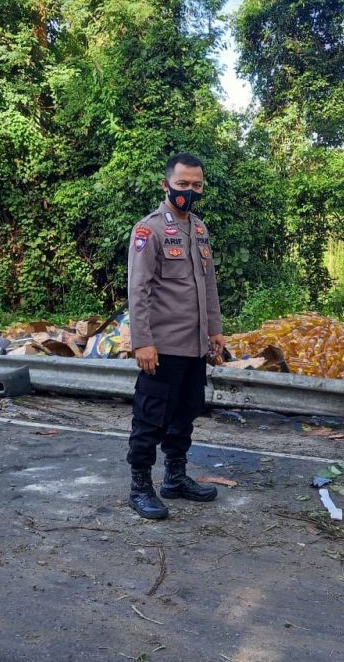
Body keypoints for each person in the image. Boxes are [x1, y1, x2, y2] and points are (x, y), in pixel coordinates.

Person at [126, 152, 225, 520]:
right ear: (166, 184)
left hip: (195, 345)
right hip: (162, 346)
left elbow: (209, 284)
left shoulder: (199, 229)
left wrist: (214, 330)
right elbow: (138, 290)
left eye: (196, 185)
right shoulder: (148, 230)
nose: (189, 191)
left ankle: (175, 477)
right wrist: (143, 341)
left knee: (185, 414)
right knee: (150, 418)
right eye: (183, 184)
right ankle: (139, 487)